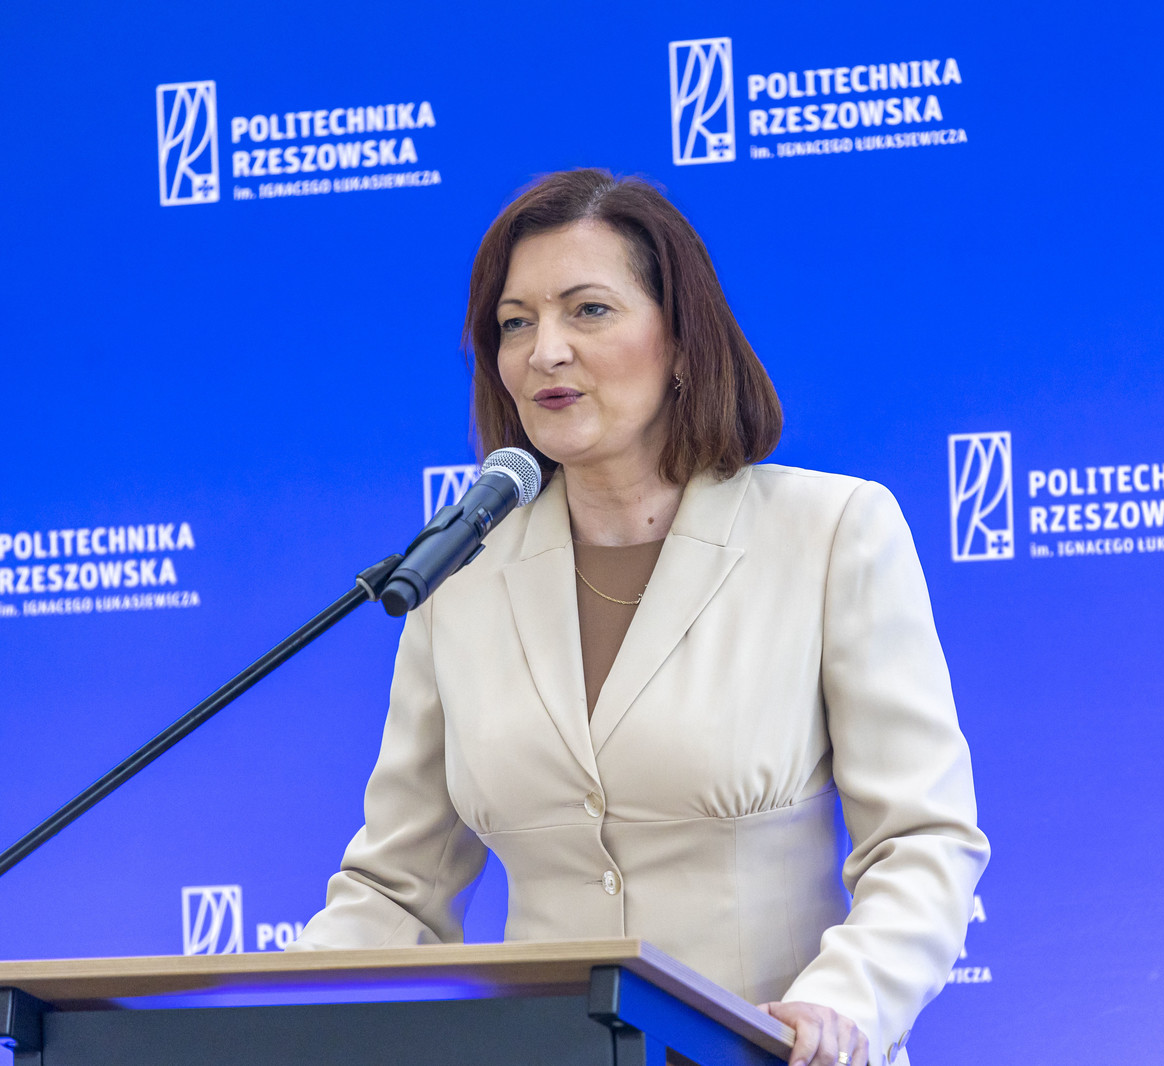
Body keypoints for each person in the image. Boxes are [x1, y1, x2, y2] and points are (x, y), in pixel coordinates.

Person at [293, 169, 989, 1066]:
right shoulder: (460, 572)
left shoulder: (831, 532)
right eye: (515, 323)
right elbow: (395, 888)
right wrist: (261, 1016)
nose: (545, 352)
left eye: (588, 311)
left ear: (683, 342)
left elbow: (921, 840)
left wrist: (841, 1003)